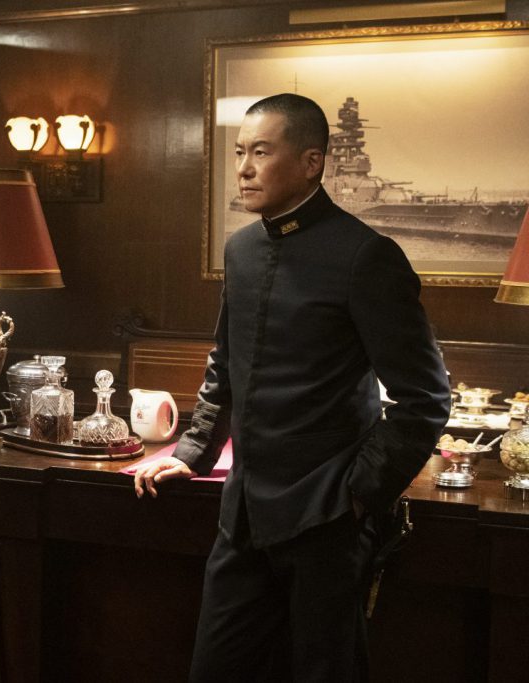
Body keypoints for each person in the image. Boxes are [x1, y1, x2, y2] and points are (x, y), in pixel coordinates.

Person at [134, 93, 450, 681]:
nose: (244, 169)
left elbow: (426, 400)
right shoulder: (241, 249)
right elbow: (225, 364)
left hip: (326, 520)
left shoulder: (367, 256)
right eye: (240, 152)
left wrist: (358, 493)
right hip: (242, 517)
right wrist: (193, 452)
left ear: (311, 162)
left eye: (261, 152)